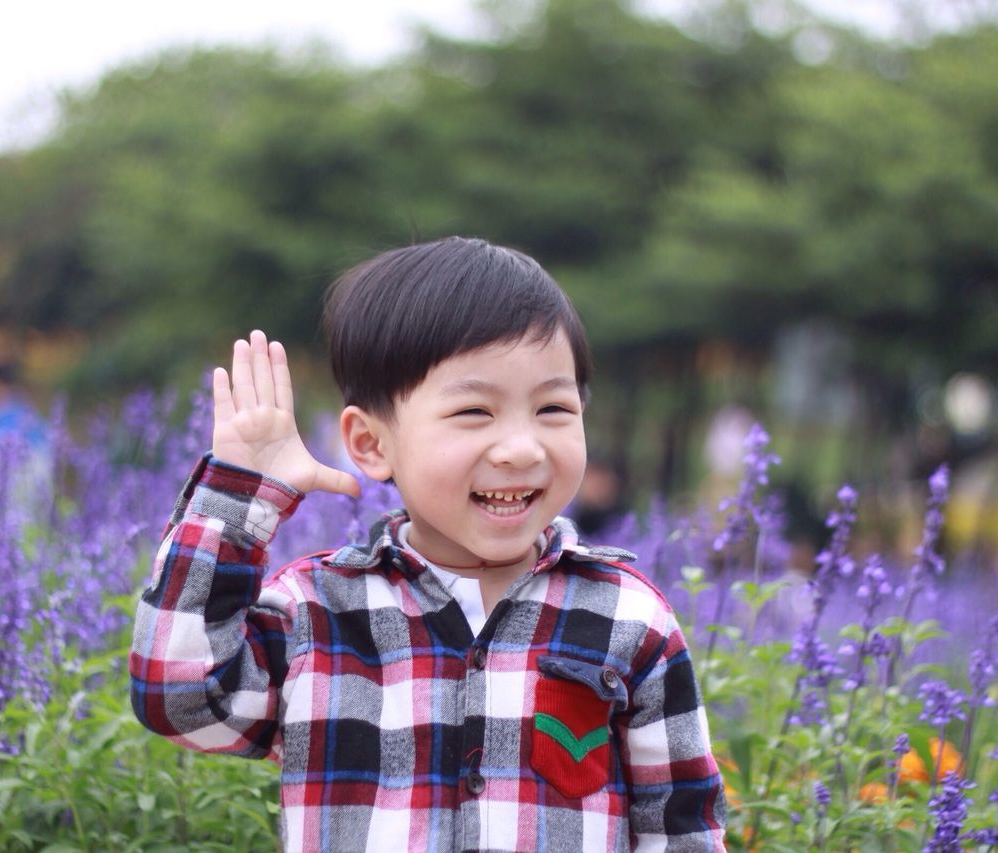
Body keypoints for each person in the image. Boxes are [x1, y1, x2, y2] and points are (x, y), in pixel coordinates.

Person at [129, 237, 726, 851]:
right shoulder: (317, 612)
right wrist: (238, 496)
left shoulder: (628, 618)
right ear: (370, 444)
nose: (522, 448)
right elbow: (180, 697)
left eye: (552, 408)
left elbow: (682, 829)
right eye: (474, 412)